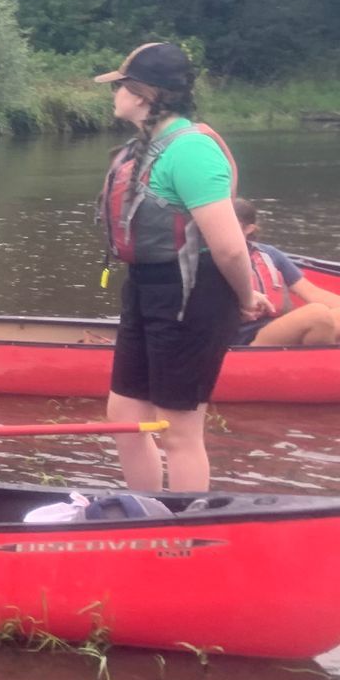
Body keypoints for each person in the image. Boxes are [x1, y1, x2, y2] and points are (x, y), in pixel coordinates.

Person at [94, 41, 266, 491]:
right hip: (146, 285)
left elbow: (228, 248)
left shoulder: (191, 151)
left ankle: (184, 531)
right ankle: (146, 514)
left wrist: (247, 298)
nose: (114, 95)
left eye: (119, 87)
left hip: (194, 293)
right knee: (126, 417)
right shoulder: (142, 147)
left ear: (143, 94)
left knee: (177, 429)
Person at [233, 198, 340, 346]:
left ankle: (312, 364)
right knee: (318, 315)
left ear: (249, 229)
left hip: (277, 326)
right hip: (245, 337)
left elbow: (312, 293)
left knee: (331, 315)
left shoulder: (269, 254)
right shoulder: (210, 258)